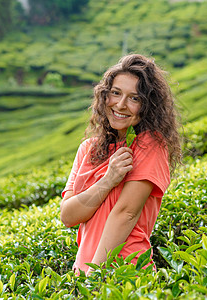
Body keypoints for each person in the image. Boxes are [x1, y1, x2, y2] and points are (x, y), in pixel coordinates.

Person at [60, 54, 181, 275]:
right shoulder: (88, 149)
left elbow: (126, 213)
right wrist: (108, 179)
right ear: (104, 95)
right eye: (116, 93)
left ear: (147, 106)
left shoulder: (150, 145)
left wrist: (95, 277)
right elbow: (68, 215)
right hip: (84, 272)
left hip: (123, 273)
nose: (121, 104)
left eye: (134, 98)